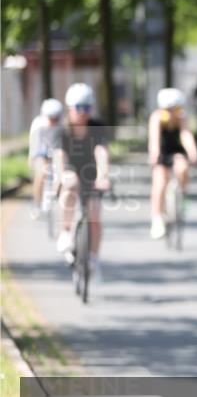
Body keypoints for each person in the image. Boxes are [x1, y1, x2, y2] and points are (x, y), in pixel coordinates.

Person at [53, 83, 110, 282]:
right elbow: (59, 156)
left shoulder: (96, 127)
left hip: (91, 175)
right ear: (70, 108)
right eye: (79, 108)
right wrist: (60, 176)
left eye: (87, 108)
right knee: (70, 184)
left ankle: (93, 258)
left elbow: (101, 152)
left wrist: (103, 176)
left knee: (94, 214)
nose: (84, 113)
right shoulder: (62, 130)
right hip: (69, 172)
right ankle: (65, 231)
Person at [148, 88, 197, 240]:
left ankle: (182, 196)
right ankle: (157, 219)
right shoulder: (156, 118)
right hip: (162, 152)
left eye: (175, 109)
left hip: (176, 150)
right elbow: (154, 140)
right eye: (167, 110)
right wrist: (155, 156)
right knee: (160, 181)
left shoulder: (181, 118)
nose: (171, 113)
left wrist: (193, 153)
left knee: (183, 168)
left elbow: (186, 135)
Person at [27, 98, 65, 219]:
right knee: (41, 172)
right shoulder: (38, 124)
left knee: (63, 172)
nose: (53, 121)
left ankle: (59, 196)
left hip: (56, 151)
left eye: (56, 118)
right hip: (41, 151)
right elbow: (34, 146)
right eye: (51, 118)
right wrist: (32, 160)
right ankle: (37, 203)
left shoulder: (63, 124)